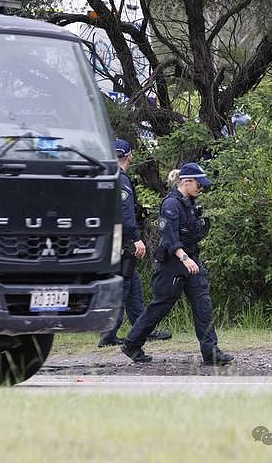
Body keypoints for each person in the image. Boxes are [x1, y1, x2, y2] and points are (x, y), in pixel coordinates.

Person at [121, 163, 233, 365]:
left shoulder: (189, 202)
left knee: (203, 303)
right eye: (199, 185)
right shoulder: (171, 204)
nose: (201, 189)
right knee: (160, 306)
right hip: (173, 264)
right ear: (187, 182)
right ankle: (132, 344)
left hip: (191, 260)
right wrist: (184, 258)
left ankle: (211, 352)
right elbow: (169, 236)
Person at [98, 139, 172, 347]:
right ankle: (109, 334)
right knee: (123, 286)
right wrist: (136, 238)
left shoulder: (106, 177)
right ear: (129, 156)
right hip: (121, 243)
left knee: (134, 287)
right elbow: (125, 213)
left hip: (111, 241)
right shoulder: (120, 180)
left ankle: (142, 328)